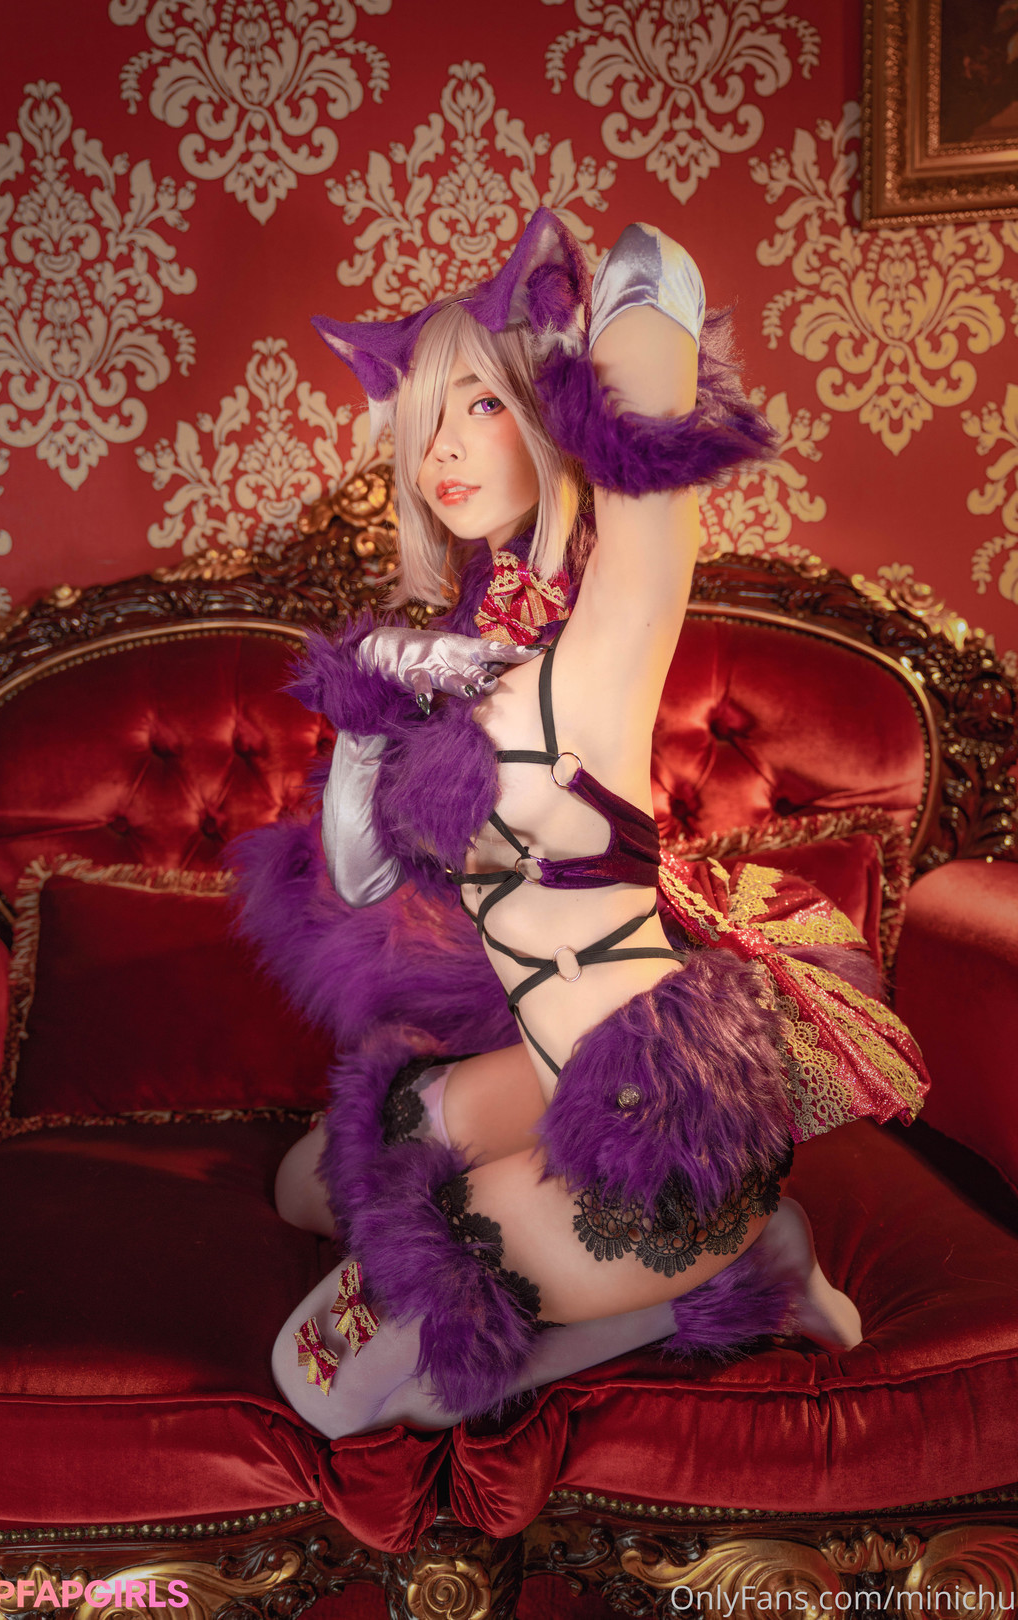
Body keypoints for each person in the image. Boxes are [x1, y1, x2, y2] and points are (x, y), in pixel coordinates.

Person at [231, 211, 930, 1438]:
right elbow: (358, 876)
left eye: (482, 406)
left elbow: (657, 466)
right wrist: (372, 706)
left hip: (663, 1126)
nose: (443, 449)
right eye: (424, 419)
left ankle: (742, 1265)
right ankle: (728, 1250)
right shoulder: (460, 660)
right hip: (549, 1072)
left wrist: (617, 315)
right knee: (304, 1182)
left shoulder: (604, 643)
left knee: (322, 1382)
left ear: (550, 409)